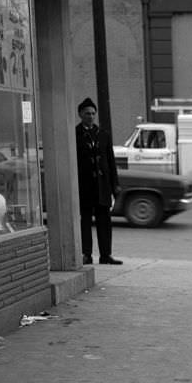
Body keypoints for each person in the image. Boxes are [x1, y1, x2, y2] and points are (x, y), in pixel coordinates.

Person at [75, 97, 122, 264]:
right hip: (85, 186)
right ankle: (86, 254)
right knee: (85, 221)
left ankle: (105, 255)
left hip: (102, 186)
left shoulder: (103, 135)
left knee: (104, 221)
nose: (91, 116)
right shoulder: (75, 134)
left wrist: (114, 185)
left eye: (93, 113)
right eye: (87, 113)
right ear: (80, 114)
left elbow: (111, 161)